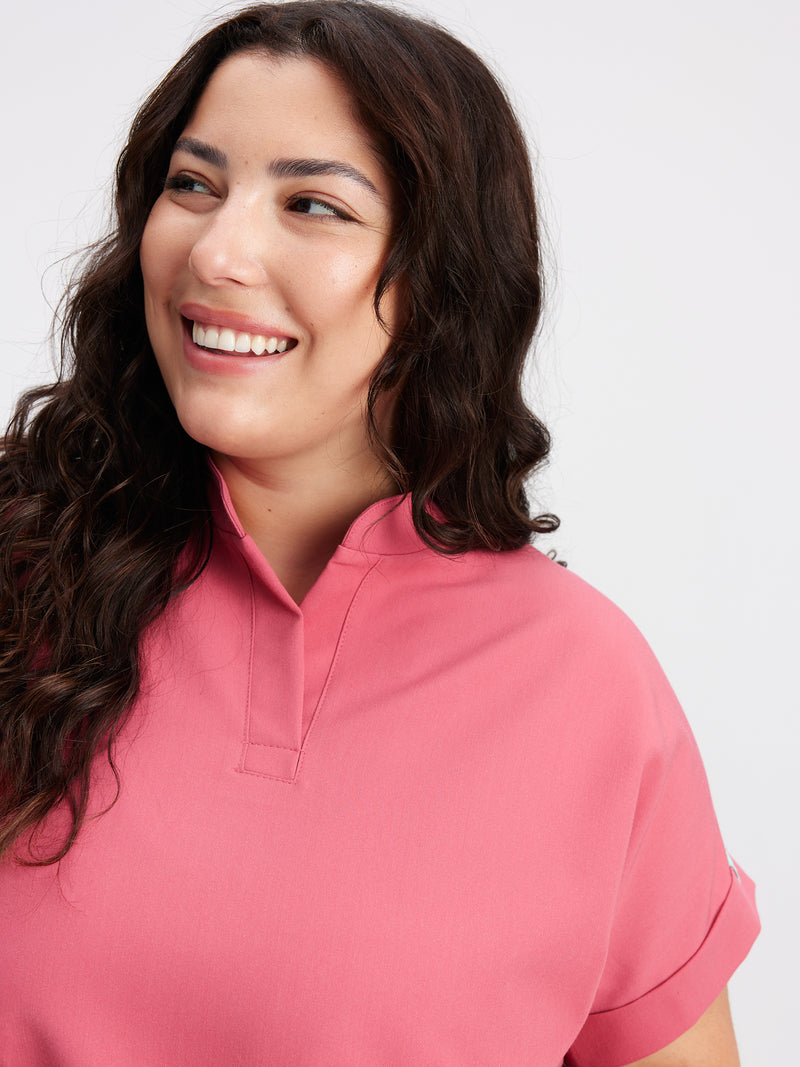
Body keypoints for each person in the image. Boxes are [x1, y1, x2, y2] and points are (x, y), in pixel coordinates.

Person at [0, 2, 759, 1064]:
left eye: (312, 203)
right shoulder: (18, 574)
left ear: (440, 281)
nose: (217, 250)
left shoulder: (586, 682)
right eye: (193, 184)